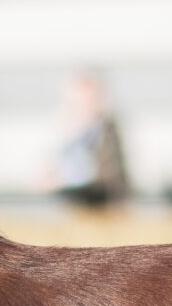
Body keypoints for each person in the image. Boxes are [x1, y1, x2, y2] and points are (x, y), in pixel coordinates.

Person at [53, 71, 129, 208]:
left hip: (98, 202)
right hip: (70, 202)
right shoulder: (67, 130)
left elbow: (109, 175)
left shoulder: (107, 129)